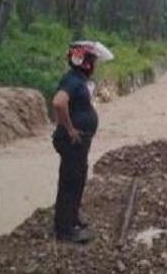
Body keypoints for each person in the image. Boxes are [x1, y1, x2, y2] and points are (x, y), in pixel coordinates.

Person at [51, 41, 113, 243]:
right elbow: (59, 102)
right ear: (85, 61)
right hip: (72, 141)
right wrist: (69, 129)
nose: (95, 64)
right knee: (70, 182)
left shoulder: (78, 79)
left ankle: (72, 218)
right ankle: (65, 230)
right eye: (93, 60)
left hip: (77, 142)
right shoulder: (72, 80)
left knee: (77, 179)